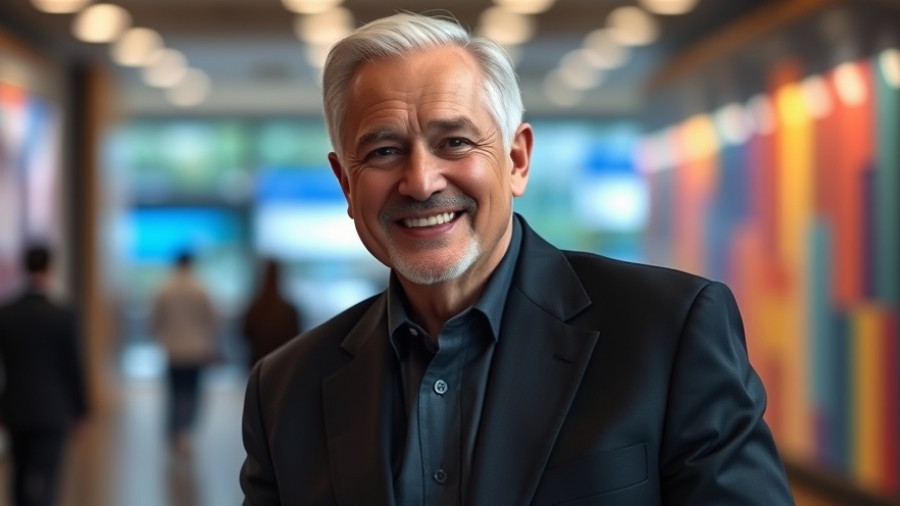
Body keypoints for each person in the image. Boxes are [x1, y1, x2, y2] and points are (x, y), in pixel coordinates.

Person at [239, 12, 795, 505]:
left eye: (454, 142)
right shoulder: (284, 391)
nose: (421, 181)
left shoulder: (670, 332)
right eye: (384, 151)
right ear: (346, 183)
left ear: (517, 160)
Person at [0, 244, 88, 506]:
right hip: (54, 408)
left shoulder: (6, 314)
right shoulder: (63, 315)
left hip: (16, 407)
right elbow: (74, 366)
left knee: (19, 473)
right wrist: (80, 411)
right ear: (50, 268)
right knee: (48, 475)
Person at [149, 250, 218, 452]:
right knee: (193, 392)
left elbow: (155, 320)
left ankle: (175, 429)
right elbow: (212, 320)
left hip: (173, 349)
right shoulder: (201, 288)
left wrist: (161, 337)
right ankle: (186, 431)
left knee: (174, 392)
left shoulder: (164, 289)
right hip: (196, 349)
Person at [240, 258, 303, 368]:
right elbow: (297, 337)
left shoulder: (255, 308)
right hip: (282, 361)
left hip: (257, 363)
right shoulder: (288, 309)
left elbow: (245, 334)